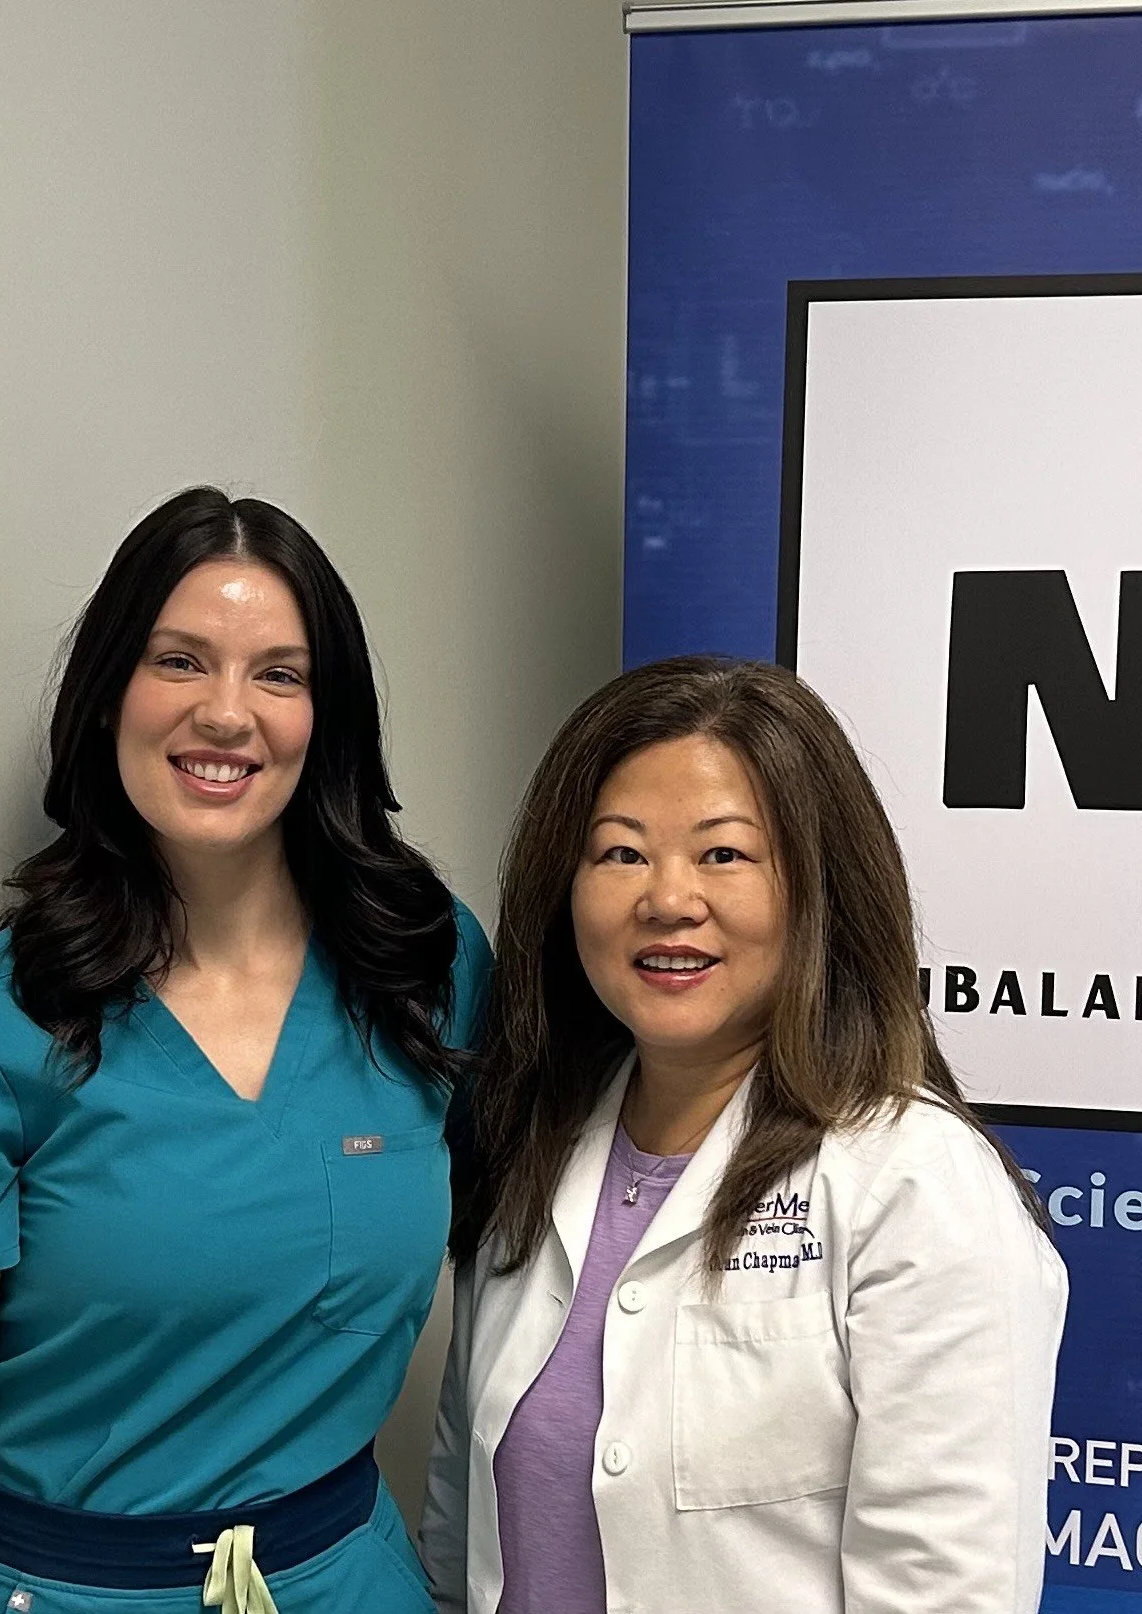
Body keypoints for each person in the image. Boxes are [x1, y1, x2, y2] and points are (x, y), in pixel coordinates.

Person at [0, 488, 487, 1614]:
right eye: (179, 661)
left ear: (326, 717)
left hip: (349, 1578)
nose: (227, 714)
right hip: (68, 1588)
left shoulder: (424, 965)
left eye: (279, 674)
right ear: (109, 695)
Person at [424, 655, 1067, 1614]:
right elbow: (456, 1527)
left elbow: (949, 1592)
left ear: (817, 888)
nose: (669, 898)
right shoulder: (532, 1147)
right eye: (620, 852)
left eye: (723, 853)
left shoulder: (914, 1183)